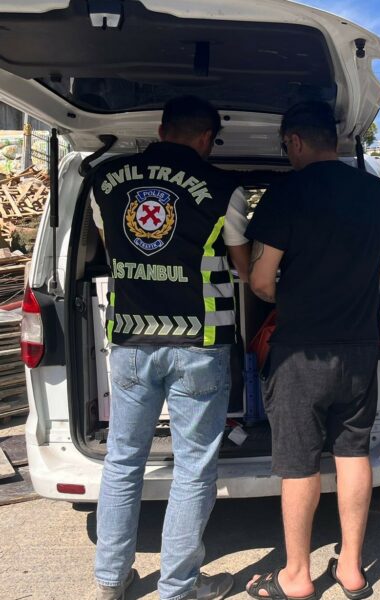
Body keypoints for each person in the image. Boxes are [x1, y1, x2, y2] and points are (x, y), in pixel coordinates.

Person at [92, 96, 251, 600]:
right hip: (199, 343)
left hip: (131, 339)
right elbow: (245, 269)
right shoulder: (224, 189)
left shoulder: (104, 179)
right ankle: (178, 588)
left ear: (161, 130)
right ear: (207, 139)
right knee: (193, 467)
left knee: (123, 461)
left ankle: (110, 581)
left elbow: (114, 248)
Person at [245, 102, 380, 600]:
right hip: (359, 348)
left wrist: (288, 295)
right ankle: (351, 569)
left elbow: (261, 280)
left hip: (300, 354)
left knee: (300, 462)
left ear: (294, 141)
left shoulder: (286, 193)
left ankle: (296, 575)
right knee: (354, 453)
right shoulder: (377, 192)